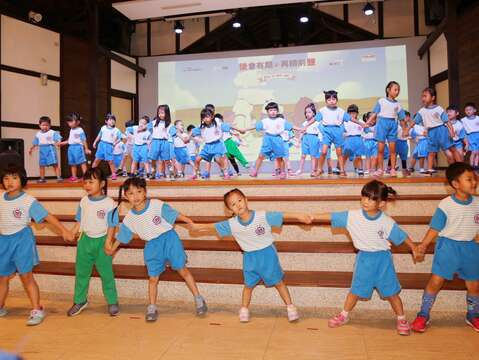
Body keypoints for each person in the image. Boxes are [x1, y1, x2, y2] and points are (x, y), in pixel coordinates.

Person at [312, 180, 419, 335]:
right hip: (364, 260)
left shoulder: (387, 222)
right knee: (355, 291)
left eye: (370, 199)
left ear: (381, 203)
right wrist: (312, 216)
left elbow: (402, 236)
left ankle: (401, 318)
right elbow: (331, 216)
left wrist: (414, 247)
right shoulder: (352, 216)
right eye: (363, 197)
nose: (365, 201)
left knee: (392, 293)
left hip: (383, 261)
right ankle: (344, 315)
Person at [191, 188, 312, 322]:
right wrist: (198, 227)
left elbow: (281, 215)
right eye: (233, 204)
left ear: (246, 200)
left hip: (267, 255)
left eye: (239, 200)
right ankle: (244, 308)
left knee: (278, 282)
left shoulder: (261, 216)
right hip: (250, 258)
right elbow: (214, 226)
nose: (238, 205)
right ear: (230, 211)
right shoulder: (232, 224)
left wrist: (297, 215)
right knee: (248, 285)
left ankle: (290, 306)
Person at [104, 177, 207, 322]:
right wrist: (112, 249)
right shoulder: (129, 218)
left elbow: (175, 214)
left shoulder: (156, 205)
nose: (136, 196)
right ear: (126, 197)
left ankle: (199, 298)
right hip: (152, 246)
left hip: (169, 239)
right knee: (153, 278)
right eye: (131, 193)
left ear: (145, 192)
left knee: (182, 270)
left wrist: (190, 222)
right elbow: (122, 236)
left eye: (139, 192)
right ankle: (152, 306)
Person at [0, 165, 74, 325]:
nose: (9, 182)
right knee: (2, 277)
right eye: (6, 178)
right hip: (3, 241)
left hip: (22, 241)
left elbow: (48, 216)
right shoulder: (0, 197)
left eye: (14, 178)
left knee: (26, 276)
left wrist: (64, 230)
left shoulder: (28, 201)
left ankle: (37, 309)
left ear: (22, 180)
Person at [411, 162, 479, 333]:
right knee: (436, 281)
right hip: (448, 247)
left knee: (474, 285)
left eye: (474, 179)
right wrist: (424, 245)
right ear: (455, 184)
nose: (474, 182)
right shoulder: (446, 204)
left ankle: (472, 315)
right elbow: (435, 227)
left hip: (471, 249)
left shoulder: (477, 203)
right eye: (469, 179)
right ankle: (423, 314)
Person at [67, 168, 119, 317]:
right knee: (81, 273)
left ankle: (112, 301)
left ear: (102, 183)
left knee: (106, 273)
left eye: (91, 181)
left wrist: (108, 242)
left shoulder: (110, 203)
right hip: (84, 241)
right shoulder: (83, 201)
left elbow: (112, 225)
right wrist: (72, 232)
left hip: (102, 241)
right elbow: (79, 220)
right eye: (85, 182)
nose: (87, 185)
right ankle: (80, 300)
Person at [414, 88, 459, 173]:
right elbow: (414, 121)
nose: (423, 98)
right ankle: (430, 168)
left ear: (433, 97)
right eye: (422, 96)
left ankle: (461, 166)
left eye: (425, 96)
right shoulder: (422, 111)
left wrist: (451, 131)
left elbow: (447, 121)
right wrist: (407, 129)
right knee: (431, 152)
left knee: (452, 149)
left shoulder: (439, 108)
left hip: (442, 130)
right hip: (431, 132)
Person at [367, 81, 407, 177]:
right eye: (395, 89)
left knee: (393, 150)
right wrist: (368, 122)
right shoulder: (381, 101)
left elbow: (402, 119)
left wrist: (405, 129)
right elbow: (374, 113)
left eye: (398, 90)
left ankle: (393, 169)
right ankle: (380, 169)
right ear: (388, 90)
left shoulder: (398, 104)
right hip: (381, 124)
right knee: (380, 149)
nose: (397, 92)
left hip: (393, 125)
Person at [250, 102, 297, 179]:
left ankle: (282, 172)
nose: (273, 112)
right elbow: (255, 126)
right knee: (261, 156)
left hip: (277, 139)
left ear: (277, 111)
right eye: (271, 110)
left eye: (275, 110)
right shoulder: (265, 121)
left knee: (280, 157)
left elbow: (291, 126)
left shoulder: (281, 120)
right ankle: (255, 171)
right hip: (268, 139)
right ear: (267, 112)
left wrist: (301, 129)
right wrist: (244, 129)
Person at [309, 90, 351, 177]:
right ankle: (319, 169)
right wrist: (305, 127)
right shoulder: (323, 110)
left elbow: (350, 119)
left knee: (339, 153)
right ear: (326, 101)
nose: (331, 101)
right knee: (323, 152)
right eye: (329, 99)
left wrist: (362, 124)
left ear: (336, 100)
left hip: (337, 131)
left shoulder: (340, 111)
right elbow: (315, 119)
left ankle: (342, 170)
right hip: (327, 132)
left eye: (333, 99)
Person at [190, 108, 232, 180]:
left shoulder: (217, 123)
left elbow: (226, 126)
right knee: (197, 159)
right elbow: (193, 132)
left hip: (217, 145)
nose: (205, 119)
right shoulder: (202, 126)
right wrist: (187, 137)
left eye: (207, 116)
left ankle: (225, 173)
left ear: (212, 116)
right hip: (207, 146)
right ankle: (194, 174)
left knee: (218, 160)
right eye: (203, 117)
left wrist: (239, 130)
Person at [58, 112, 91, 182]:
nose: (69, 123)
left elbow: (83, 139)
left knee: (82, 162)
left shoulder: (80, 130)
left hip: (78, 147)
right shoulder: (71, 130)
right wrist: (62, 143)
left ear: (78, 122)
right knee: (72, 163)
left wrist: (86, 148)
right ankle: (74, 176)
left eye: (71, 121)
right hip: (71, 148)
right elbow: (70, 140)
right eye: (68, 122)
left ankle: (86, 176)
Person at [28, 116, 62, 183]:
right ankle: (42, 178)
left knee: (55, 164)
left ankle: (59, 177)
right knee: (41, 165)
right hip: (42, 150)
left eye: (47, 125)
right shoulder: (38, 134)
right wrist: (31, 148)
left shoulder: (52, 132)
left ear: (50, 125)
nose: (45, 127)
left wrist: (58, 142)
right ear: (39, 125)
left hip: (50, 149)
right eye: (43, 125)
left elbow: (58, 138)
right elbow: (35, 142)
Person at [92, 113, 122, 180]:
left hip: (109, 146)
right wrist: (95, 142)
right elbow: (99, 135)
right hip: (101, 145)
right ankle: (91, 173)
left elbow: (120, 138)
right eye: (110, 120)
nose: (112, 121)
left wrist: (115, 143)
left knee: (110, 161)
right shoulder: (103, 128)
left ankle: (113, 174)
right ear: (106, 121)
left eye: (114, 120)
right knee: (97, 160)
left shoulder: (116, 130)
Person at [148, 105, 173, 179]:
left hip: (165, 142)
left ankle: (171, 172)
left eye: (162, 113)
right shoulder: (154, 122)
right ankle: (153, 172)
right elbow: (146, 127)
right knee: (153, 159)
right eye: (159, 113)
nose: (160, 115)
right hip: (155, 141)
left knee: (167, 159)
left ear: (167, 113)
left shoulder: (169, 124)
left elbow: (174, 133)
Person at [296, 103, 320, 177]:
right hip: (305, 139)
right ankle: (300, 170)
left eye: (309, 112)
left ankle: (313, 171)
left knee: (313, 156)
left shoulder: (317, 123)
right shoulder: (305, 123)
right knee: (303, 155)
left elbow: (320, 133)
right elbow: (302, 132)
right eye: (306, 112)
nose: (307, 114)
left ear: (314, 113)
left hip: (314, 139)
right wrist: (299, 140)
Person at [342, 104, 365, 176]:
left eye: (354, 113)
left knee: (358, 155)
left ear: (357, 113)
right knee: (345, 155)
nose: (352, 115)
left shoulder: (360, 121)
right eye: (350, 113)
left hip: (358, 140)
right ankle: (341, 168)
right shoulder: (346, 122)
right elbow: (343, 132)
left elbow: (365, 130)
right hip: (349, 140)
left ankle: (360, 169)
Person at [461, 102, 479, 168]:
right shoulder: (463, 120)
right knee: (473, 152)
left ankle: (476, 165)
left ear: (474, 110)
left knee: (478, 152)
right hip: (470, 136)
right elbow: (463, 131)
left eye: (470, 109)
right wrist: (466, 142)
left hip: (478, 135)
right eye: (466, 110)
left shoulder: (478, 118)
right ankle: (471, 165)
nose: (468, 111)